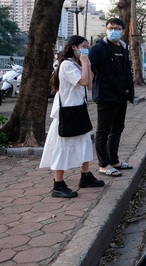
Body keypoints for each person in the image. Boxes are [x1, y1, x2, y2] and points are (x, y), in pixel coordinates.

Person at [40, 35, 105, 198]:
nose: (86, 48)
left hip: (79, 109)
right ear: (74, 47)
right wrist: (85, 64)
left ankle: (85, 176)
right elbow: (82, 82)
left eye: (87, 46)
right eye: (83, 45)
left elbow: (89, 85)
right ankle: (58, 184)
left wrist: (87, 65)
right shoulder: (67, 65)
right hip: (67, 112)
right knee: (63, 147)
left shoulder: (77, 64)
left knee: (84, 142)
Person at [89, 18, 135, 177]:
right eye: (110, 28)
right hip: (105, 96)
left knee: (117, 129)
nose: (113, 31)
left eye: (116, 28)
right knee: (103, 131)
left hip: (122, 95)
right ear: (106, 29)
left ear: (123, 31)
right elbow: (90, 69)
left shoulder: (123, 47)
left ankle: (114, 160)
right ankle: (103, 164)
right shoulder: (98, 48)